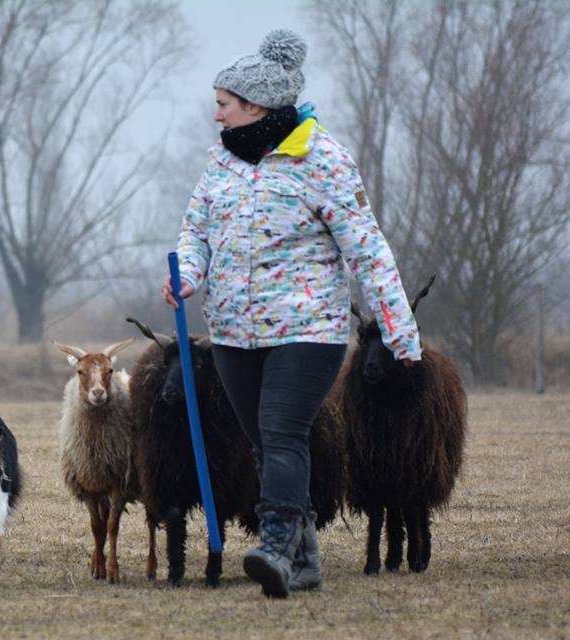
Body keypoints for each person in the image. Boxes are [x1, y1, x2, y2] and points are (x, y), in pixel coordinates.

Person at [161, 29, 422, 598]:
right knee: (264, 442)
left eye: (224, 104)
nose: (216, 115)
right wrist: (188, 274)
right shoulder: (221, 165)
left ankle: (276, 545)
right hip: (233, 333)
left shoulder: (323, 159)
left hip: (307, 331)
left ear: (255, 106)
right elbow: (196, 232)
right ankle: (304, 563)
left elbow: (368, 250)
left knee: (282, 431)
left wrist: (400, 331)